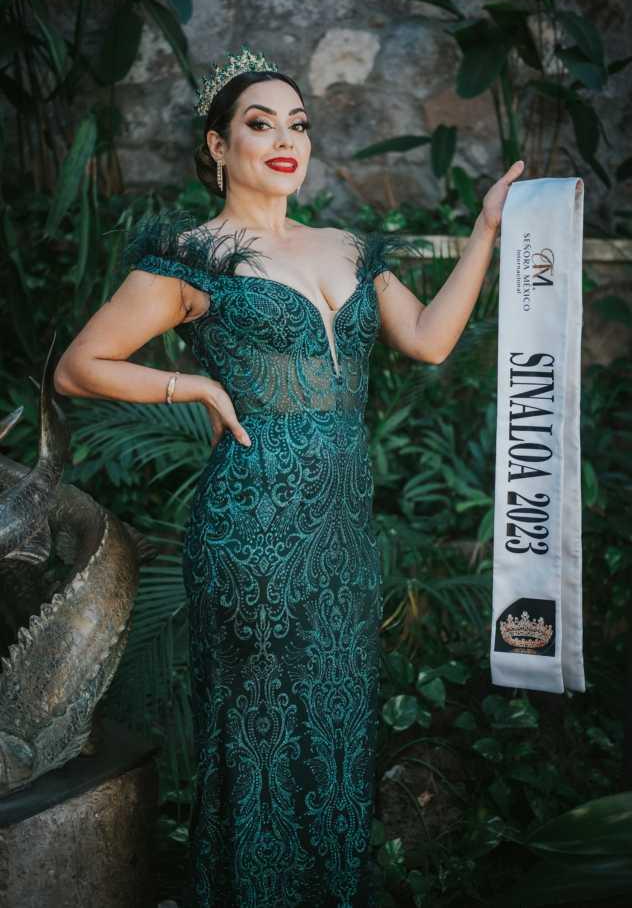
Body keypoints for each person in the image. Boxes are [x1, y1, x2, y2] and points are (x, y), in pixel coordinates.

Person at [53, 44, 524, 907]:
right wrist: (194, 385)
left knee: (335, 734)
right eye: (260, 124)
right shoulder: (192, 257)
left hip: (342, 538)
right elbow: (81, 367)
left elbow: (428, 340)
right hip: (252, 531)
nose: (284, 141)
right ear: (217, 145)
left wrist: (487, 229)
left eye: (298, 125)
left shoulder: (346, 244)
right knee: (261, 745)